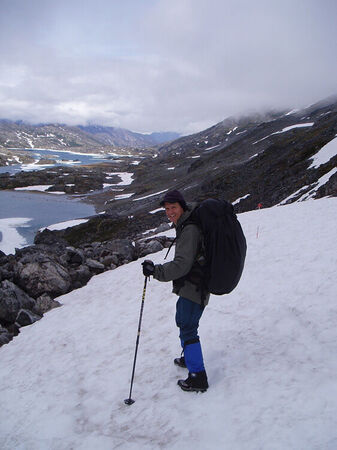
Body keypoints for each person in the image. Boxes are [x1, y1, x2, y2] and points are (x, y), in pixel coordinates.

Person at [142, 189, 209, 392]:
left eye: (174, 208)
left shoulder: (189, 230)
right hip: (191, 284)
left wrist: (156, 271)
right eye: (167, 209)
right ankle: (189, 358)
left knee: (188, 327)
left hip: (194, 285)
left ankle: (198, 378)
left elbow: (182, 265)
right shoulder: (186, 224)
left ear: (182, 206)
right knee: (183, 320)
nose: (170, 212)